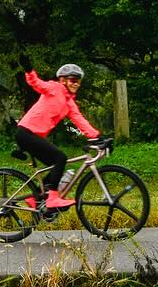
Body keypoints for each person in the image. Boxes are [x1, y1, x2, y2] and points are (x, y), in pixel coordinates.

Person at [16, 64, 99, 210]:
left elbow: (80, 120)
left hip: (34, 135)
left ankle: (36, 199)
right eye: (73, 80)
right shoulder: (55, 88)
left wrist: (98, 136)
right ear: (63, 80)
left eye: (79, 81)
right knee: (60, 158)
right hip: (26, 133)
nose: (76, 84)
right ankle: (52, 200)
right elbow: (37, 84)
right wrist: (29, 71)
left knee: (57, 165)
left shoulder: (68, 102)